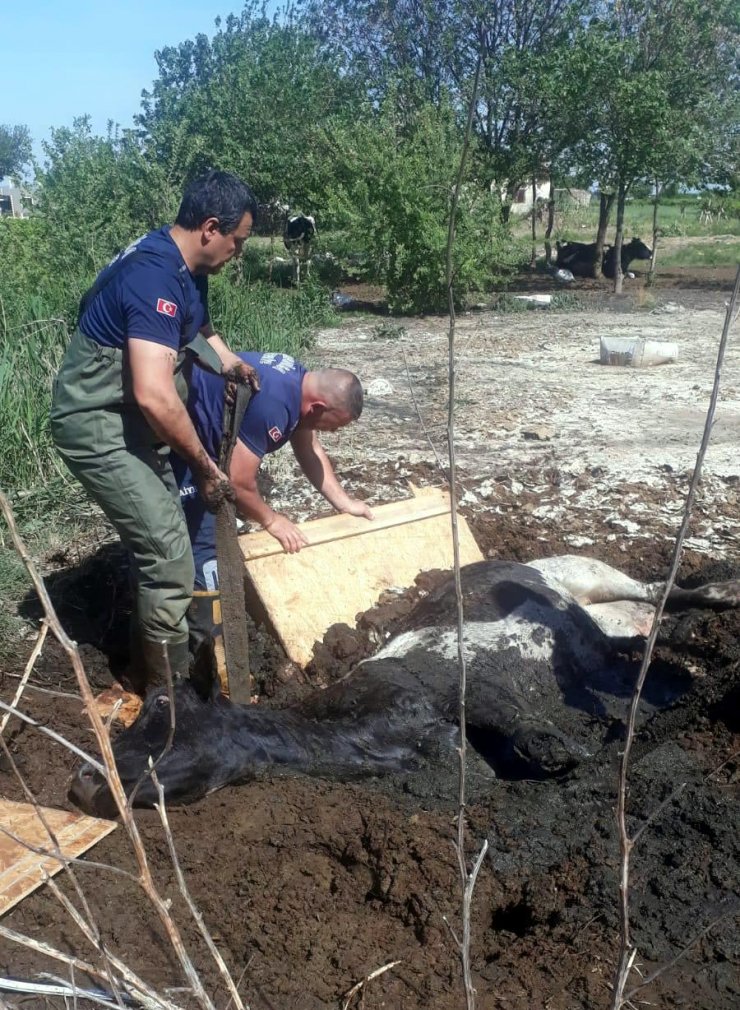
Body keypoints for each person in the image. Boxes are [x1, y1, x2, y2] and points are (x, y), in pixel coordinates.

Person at [50, 170, 259, 697]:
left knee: (166, 538)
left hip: (129, 421)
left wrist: (229, 362)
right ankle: (162, 696)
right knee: (167, 553)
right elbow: (155, 394)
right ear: (211, 228)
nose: (239, 252)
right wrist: (208, 471)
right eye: (239, 242)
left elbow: (199, 326)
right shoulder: (153, 277)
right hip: (98, 422)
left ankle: (161, 656)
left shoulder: (188, 266)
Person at [172, 350, 372, 680]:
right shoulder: (273, 405)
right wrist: (270, 519)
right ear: (318, 408)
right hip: (181, 442)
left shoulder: (300, 384)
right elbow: (238, 480)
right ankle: (209, 664)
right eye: (333, 427)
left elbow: (308, 447)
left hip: (208, 441)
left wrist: (344, 502)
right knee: (206, 550)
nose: (331, 434)